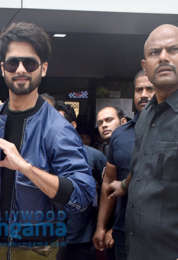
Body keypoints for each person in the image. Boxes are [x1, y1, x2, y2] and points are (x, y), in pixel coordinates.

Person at [0, 22, 96, 260]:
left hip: (37, 249)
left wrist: (26, 168)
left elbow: (82, 196)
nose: (21, 69)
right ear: (3, 68)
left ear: (42, 68)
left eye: (29, 63)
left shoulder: (57, 128)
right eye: (13, 63)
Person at [107, 24, 178, 260]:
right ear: (145, 66)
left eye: (173, 49)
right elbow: (141, 167)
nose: (164, 57)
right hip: (136, 247)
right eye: (155, 52)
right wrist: (123, 186)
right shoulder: (146, 116)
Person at [92, 70, 155, 260]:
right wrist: (101, 227)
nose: (143, 94)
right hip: (124, 231)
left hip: (163, 233)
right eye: (139, 90)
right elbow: (108, 183)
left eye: (149, 89)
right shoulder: (120, 136)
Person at [55, 102, 106, 260]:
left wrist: (103, 227)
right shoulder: (39, 156)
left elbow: (108, 192)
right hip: (47, 236)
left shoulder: (94, 156)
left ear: (73, 125)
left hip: (82, 238)